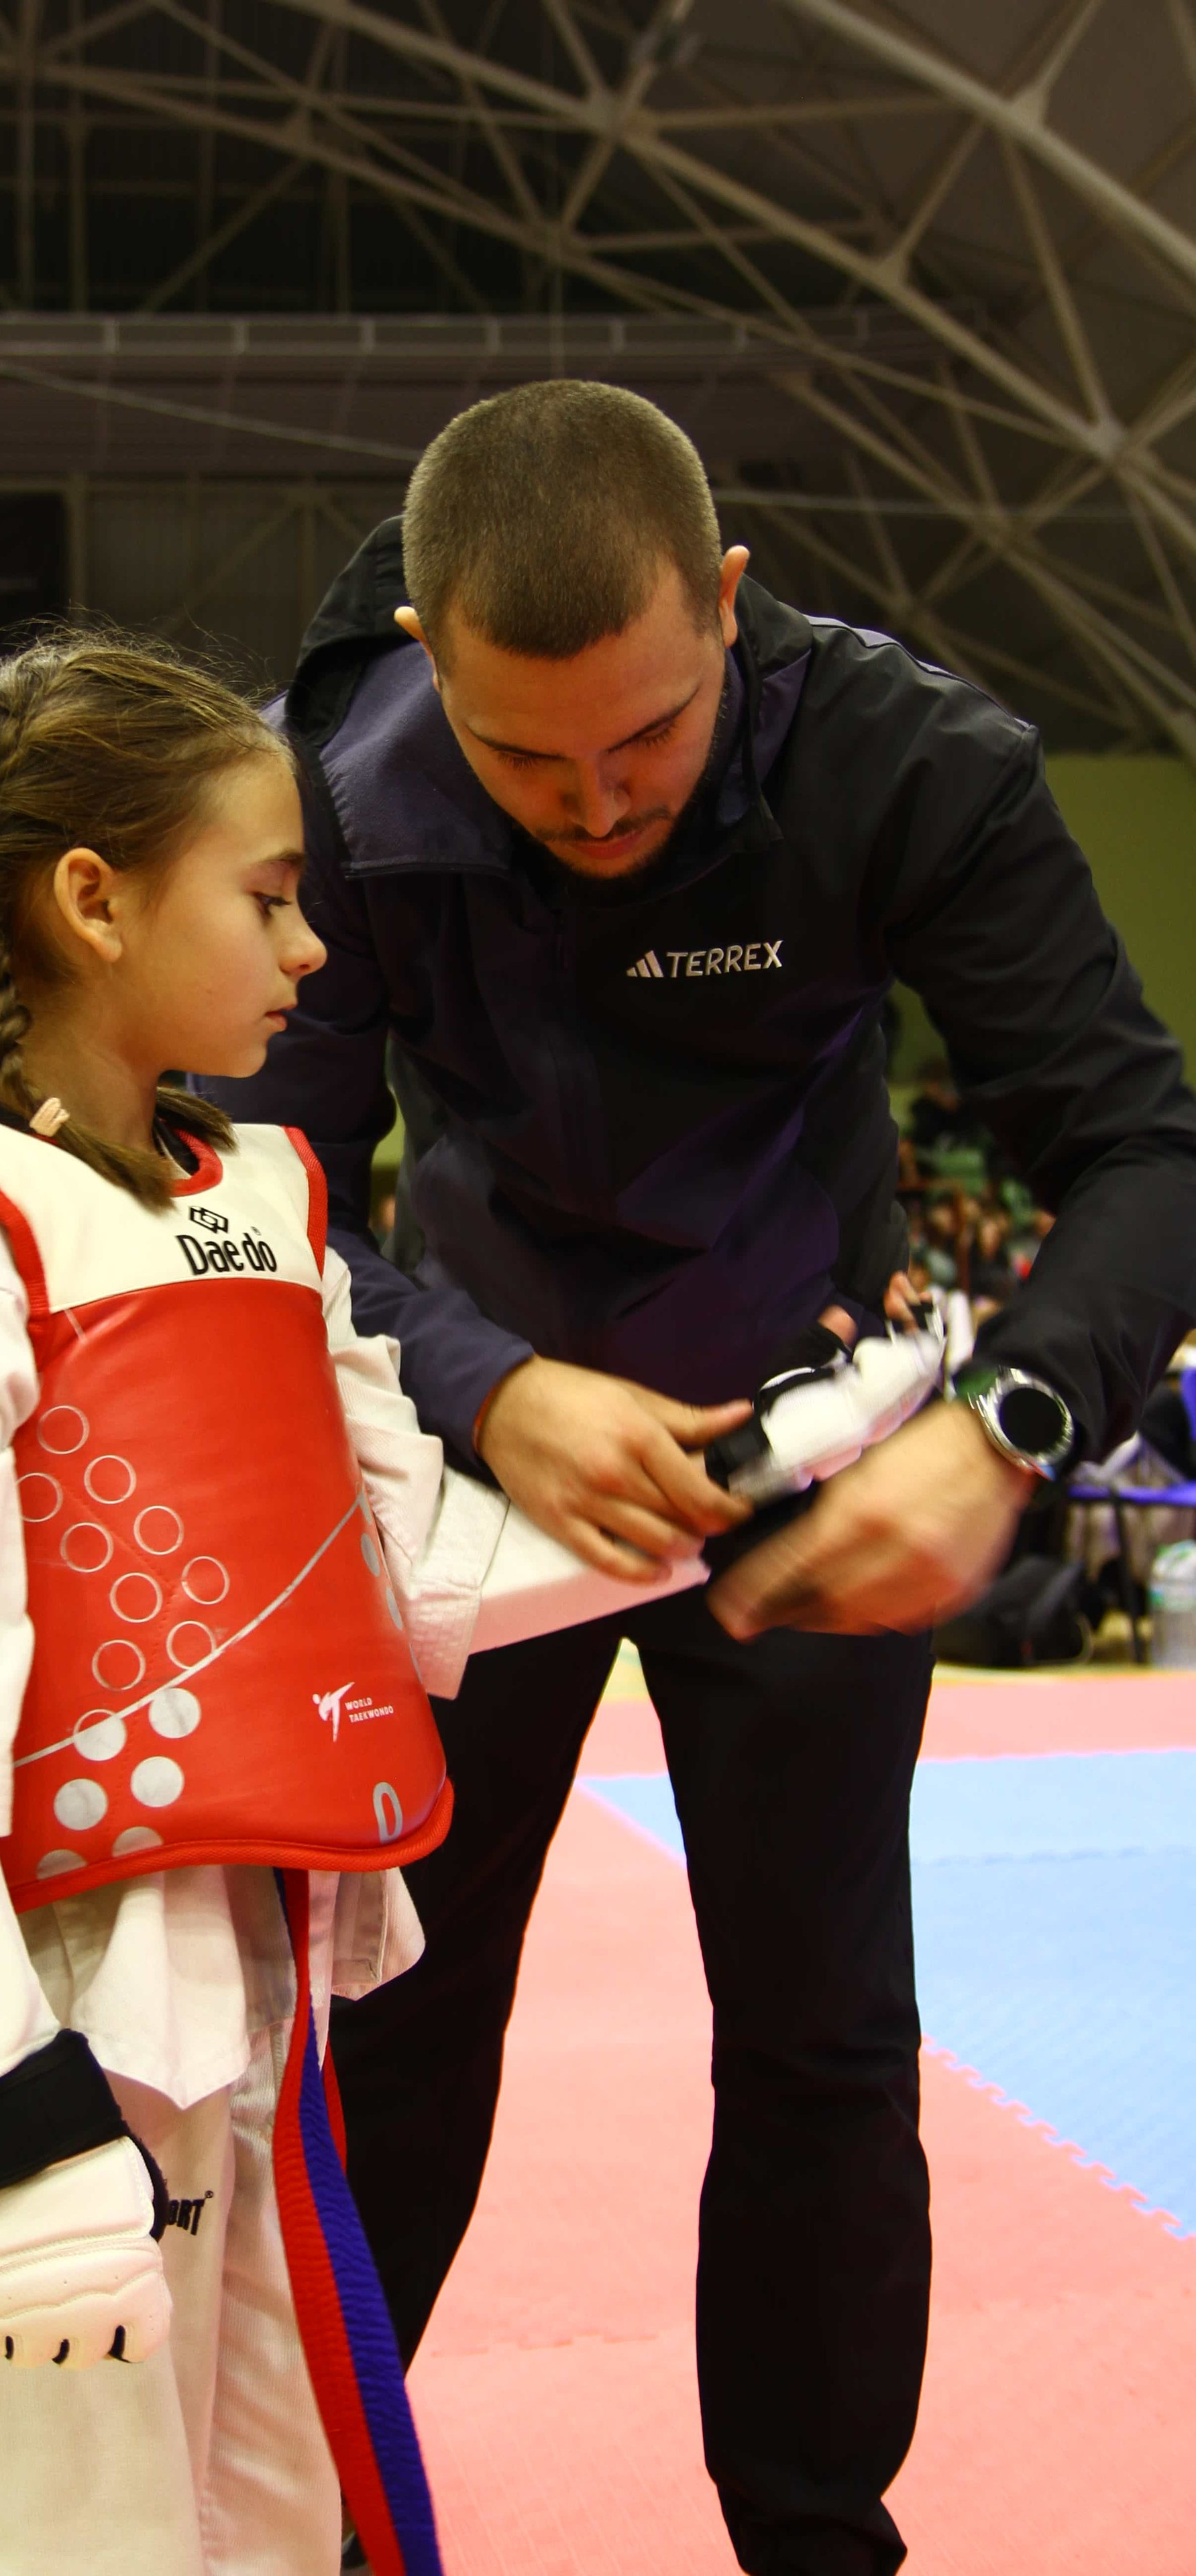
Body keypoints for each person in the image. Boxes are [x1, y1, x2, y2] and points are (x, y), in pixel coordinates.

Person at [210, 381, 1196, 2576]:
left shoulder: (911, 759)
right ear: (422, 648)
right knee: (396, 2017)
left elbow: (1142, 1151)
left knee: (828, 2046)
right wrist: (487, 1386)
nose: (594, 803)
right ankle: (320, 2532)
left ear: (732, 609)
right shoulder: (333, 795)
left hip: (808, 1459)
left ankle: (820, 2545)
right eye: (524, 755)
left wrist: (1004, 1427)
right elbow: (251, 1186)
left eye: (646, 739)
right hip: (478, 1483)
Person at [0, 635, 720, 2576]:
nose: (312, 950)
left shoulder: (259, 1199)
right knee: (60, 2547)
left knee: (262, 2529)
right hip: (35, 1997)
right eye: (267, 900)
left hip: (259, 1979)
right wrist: (3, 2124)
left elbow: (412, 1563)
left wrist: (739, 1499)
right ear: (92, 898)